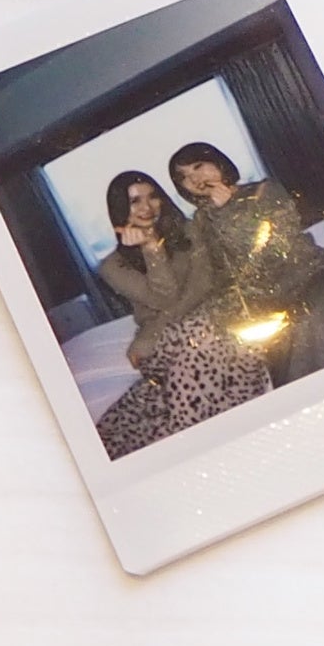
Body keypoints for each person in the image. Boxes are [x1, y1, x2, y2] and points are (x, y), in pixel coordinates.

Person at [167, 143, 324, 385]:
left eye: (198, 166)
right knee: (286, 344)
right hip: (278, 302)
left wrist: (226, 210)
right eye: (184, 177)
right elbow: (219, 274)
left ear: (218, 163)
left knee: (314, 321)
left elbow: (273, 248)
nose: (194, 179)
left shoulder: (265, 191)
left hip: (321, 277)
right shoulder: (201, 222)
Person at [87, 171, 272, 458]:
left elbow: (204, 286)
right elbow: (165, 297)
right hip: (166, 347)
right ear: (121, 209)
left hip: (201, 327)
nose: (146, 207)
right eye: (135, 201)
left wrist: (150, 336)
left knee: (199, 333)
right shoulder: (112, 266)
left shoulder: (191, 232)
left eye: (153, 197)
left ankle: (193, 445)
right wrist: (151, 248)